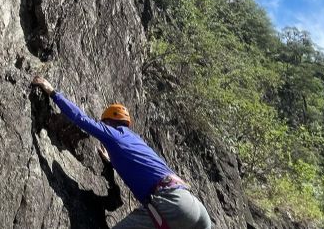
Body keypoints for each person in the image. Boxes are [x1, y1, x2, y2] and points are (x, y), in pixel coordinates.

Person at [32, 76, 211, 229]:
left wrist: (53, 92)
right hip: (196, 209)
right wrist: (111, 162)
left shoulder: (112, 134)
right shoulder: (136, 141)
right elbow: (138, 167)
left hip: (173, 205)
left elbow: (81, 119)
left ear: (109, 122)